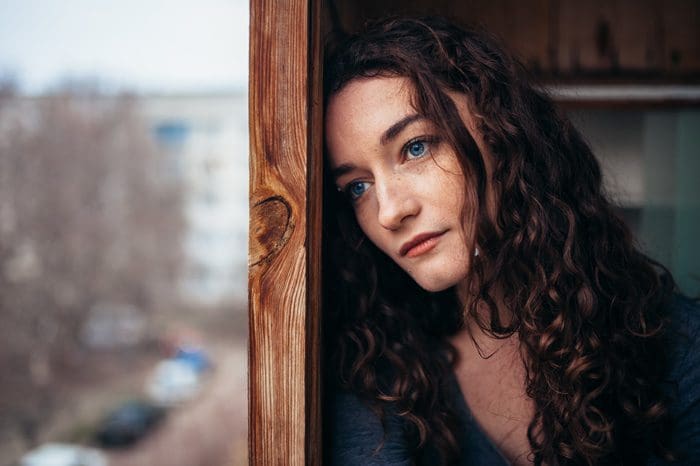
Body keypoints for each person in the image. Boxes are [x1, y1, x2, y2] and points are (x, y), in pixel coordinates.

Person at [322, 16, 700, 466]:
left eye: (416, 147)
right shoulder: (380, 370)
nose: (389, 211)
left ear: (501, 134)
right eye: (358, 187)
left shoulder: (674, 344)